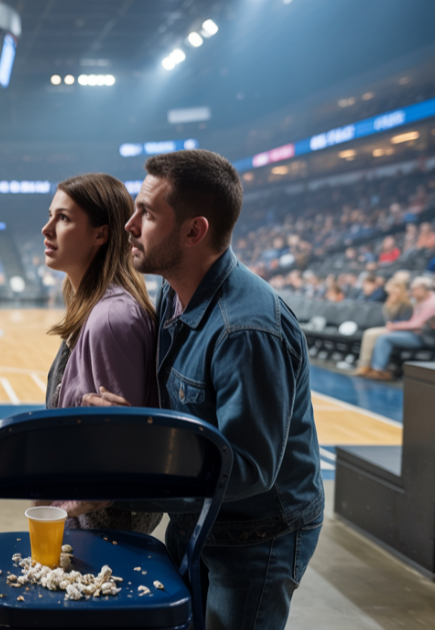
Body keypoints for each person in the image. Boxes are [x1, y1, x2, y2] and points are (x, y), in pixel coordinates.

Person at [88, 149, 324, 630]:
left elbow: (248, 470)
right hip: (197, 519)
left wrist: (125, 484)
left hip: (256, 536)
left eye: (147, 213)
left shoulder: (246, 331)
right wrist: (135, 426)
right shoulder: (172, 290)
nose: (129, 225)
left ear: (194, 232)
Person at [38, 173, 160, 534]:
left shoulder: (111, 319)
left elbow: (115, 464)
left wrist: (59, 510)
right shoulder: (93, 307)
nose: (46, 229)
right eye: (50, 215)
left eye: (63, 218)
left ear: (100, 234)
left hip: (102, 535)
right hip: (84, 524)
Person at [366, 276, 435, 380]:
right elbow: (412, 322)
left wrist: (395, 327)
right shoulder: (420, 300)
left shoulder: (432, 303)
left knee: (384, 338)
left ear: (424, 289)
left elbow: (417, 324)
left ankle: (378, 370)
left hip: (425, 338)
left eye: (415, 290)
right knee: (383, 334)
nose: (412, 292)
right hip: (415, 333)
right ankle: (374, 368)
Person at [354, 278, 411, 377]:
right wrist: (389, 305)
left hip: (401, 330)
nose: (391, 294)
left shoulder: (406, 304)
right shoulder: (391, 302)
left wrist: (394, 326)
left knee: (372, 334)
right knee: (368, 333)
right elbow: (388, 319)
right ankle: (365, 365)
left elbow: (406, 321)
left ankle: (376, 368)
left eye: (393, 292)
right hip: (391, 328)